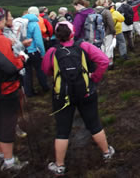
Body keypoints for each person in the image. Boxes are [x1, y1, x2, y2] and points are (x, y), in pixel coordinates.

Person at [41, 21, 114, 175]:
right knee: (94, 123)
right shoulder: (84, 46)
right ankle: (107, 153)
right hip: (86, 92)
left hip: (62, 95)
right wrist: (94, 77)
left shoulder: (52, 51)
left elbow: (46, 69)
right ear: (73, 32)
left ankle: (59, 166)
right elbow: (104, 61)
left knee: (62, 130)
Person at [0, 6, 29, 173]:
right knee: (7, 122)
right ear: (0, 20)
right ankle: (9, 162)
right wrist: (21, 59)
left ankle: (0, 155)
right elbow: (11, 67)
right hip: (6, 89)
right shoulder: (1, 40)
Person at [21, 11, 49, 97]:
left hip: (24, 51)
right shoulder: (34, 24)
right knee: (40, 70)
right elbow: (38, 41)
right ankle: (45, 87)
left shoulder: (21, 24)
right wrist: (43, 53)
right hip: (33, 51)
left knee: (27, 72)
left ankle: (28, 92)